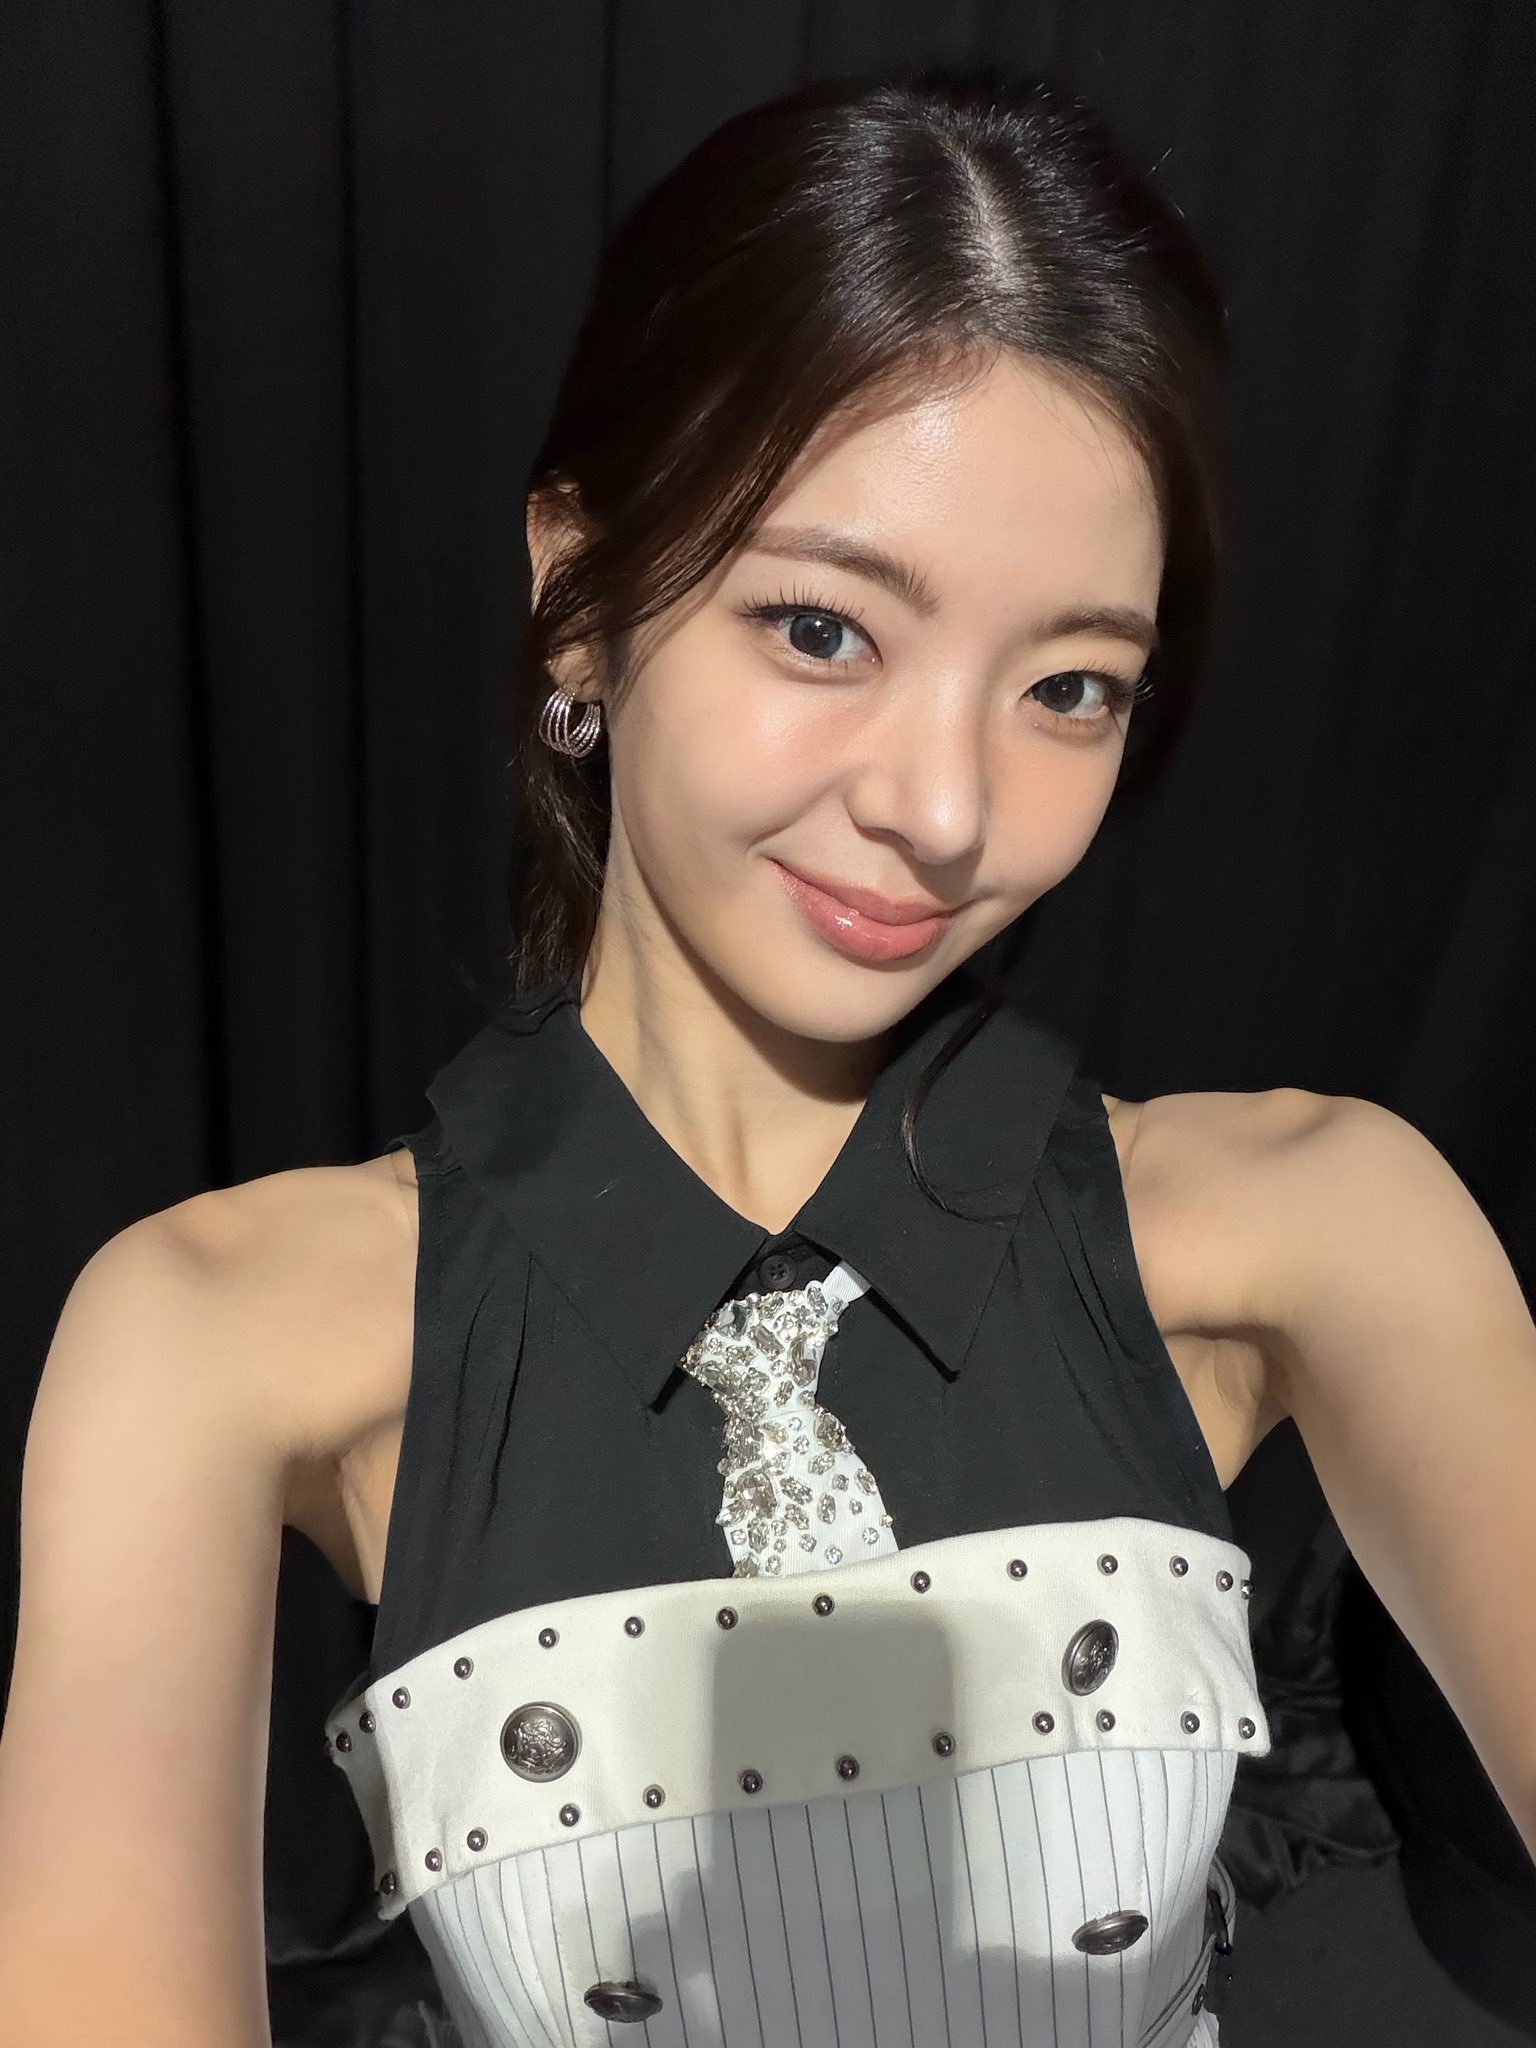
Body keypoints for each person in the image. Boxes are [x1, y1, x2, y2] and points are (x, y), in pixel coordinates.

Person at [2, 60, 1532, 2048]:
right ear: (581, 596)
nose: (947, 809)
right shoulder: (214, 1336)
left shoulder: (1317, 1223)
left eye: (1071, 686)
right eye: (824, 630)